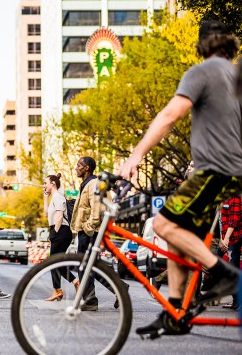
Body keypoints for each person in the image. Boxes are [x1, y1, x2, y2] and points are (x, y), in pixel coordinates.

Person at [119, 20, 241, 336]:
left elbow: (170, 115)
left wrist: (136, 154)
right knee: (179, 239)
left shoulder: (201, 72)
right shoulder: (235, 76)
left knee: (162, 225)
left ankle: (223, 273)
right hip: (228, 172)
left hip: (215, 170)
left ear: (201, 45)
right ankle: (176, 311)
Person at [70, 157, 126, 311]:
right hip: (87, 230)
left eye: (79, 165)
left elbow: (98, 209)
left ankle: (90, 301)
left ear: (87, 168)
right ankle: (119, 288)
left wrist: (89, 226)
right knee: (91, 265)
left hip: (90, 231)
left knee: (85, 266)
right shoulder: (86, 184)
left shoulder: (93, 183)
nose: (76, 168)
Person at [43, 173, 79, 302]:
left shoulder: (58, 197)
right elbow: (46, 213)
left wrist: (55, 233)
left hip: (61, 231)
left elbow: (59, 216)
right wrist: (45, 198)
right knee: (56, 262)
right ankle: (74, 282)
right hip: (58, 230)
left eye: (46, 183)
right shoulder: (54, 198)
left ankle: (58, 290)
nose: (44, 186)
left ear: (53, 183)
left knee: (53, 261)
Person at [218, 195, 241, 310]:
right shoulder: (224, 197)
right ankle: (235, 300)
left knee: (232, 268)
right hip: (227, 239)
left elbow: (234, 219)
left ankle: (237, 300)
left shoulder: (235, 197)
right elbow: (222, 221)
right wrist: (222, 239)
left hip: (234, 238)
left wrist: (226, 238)